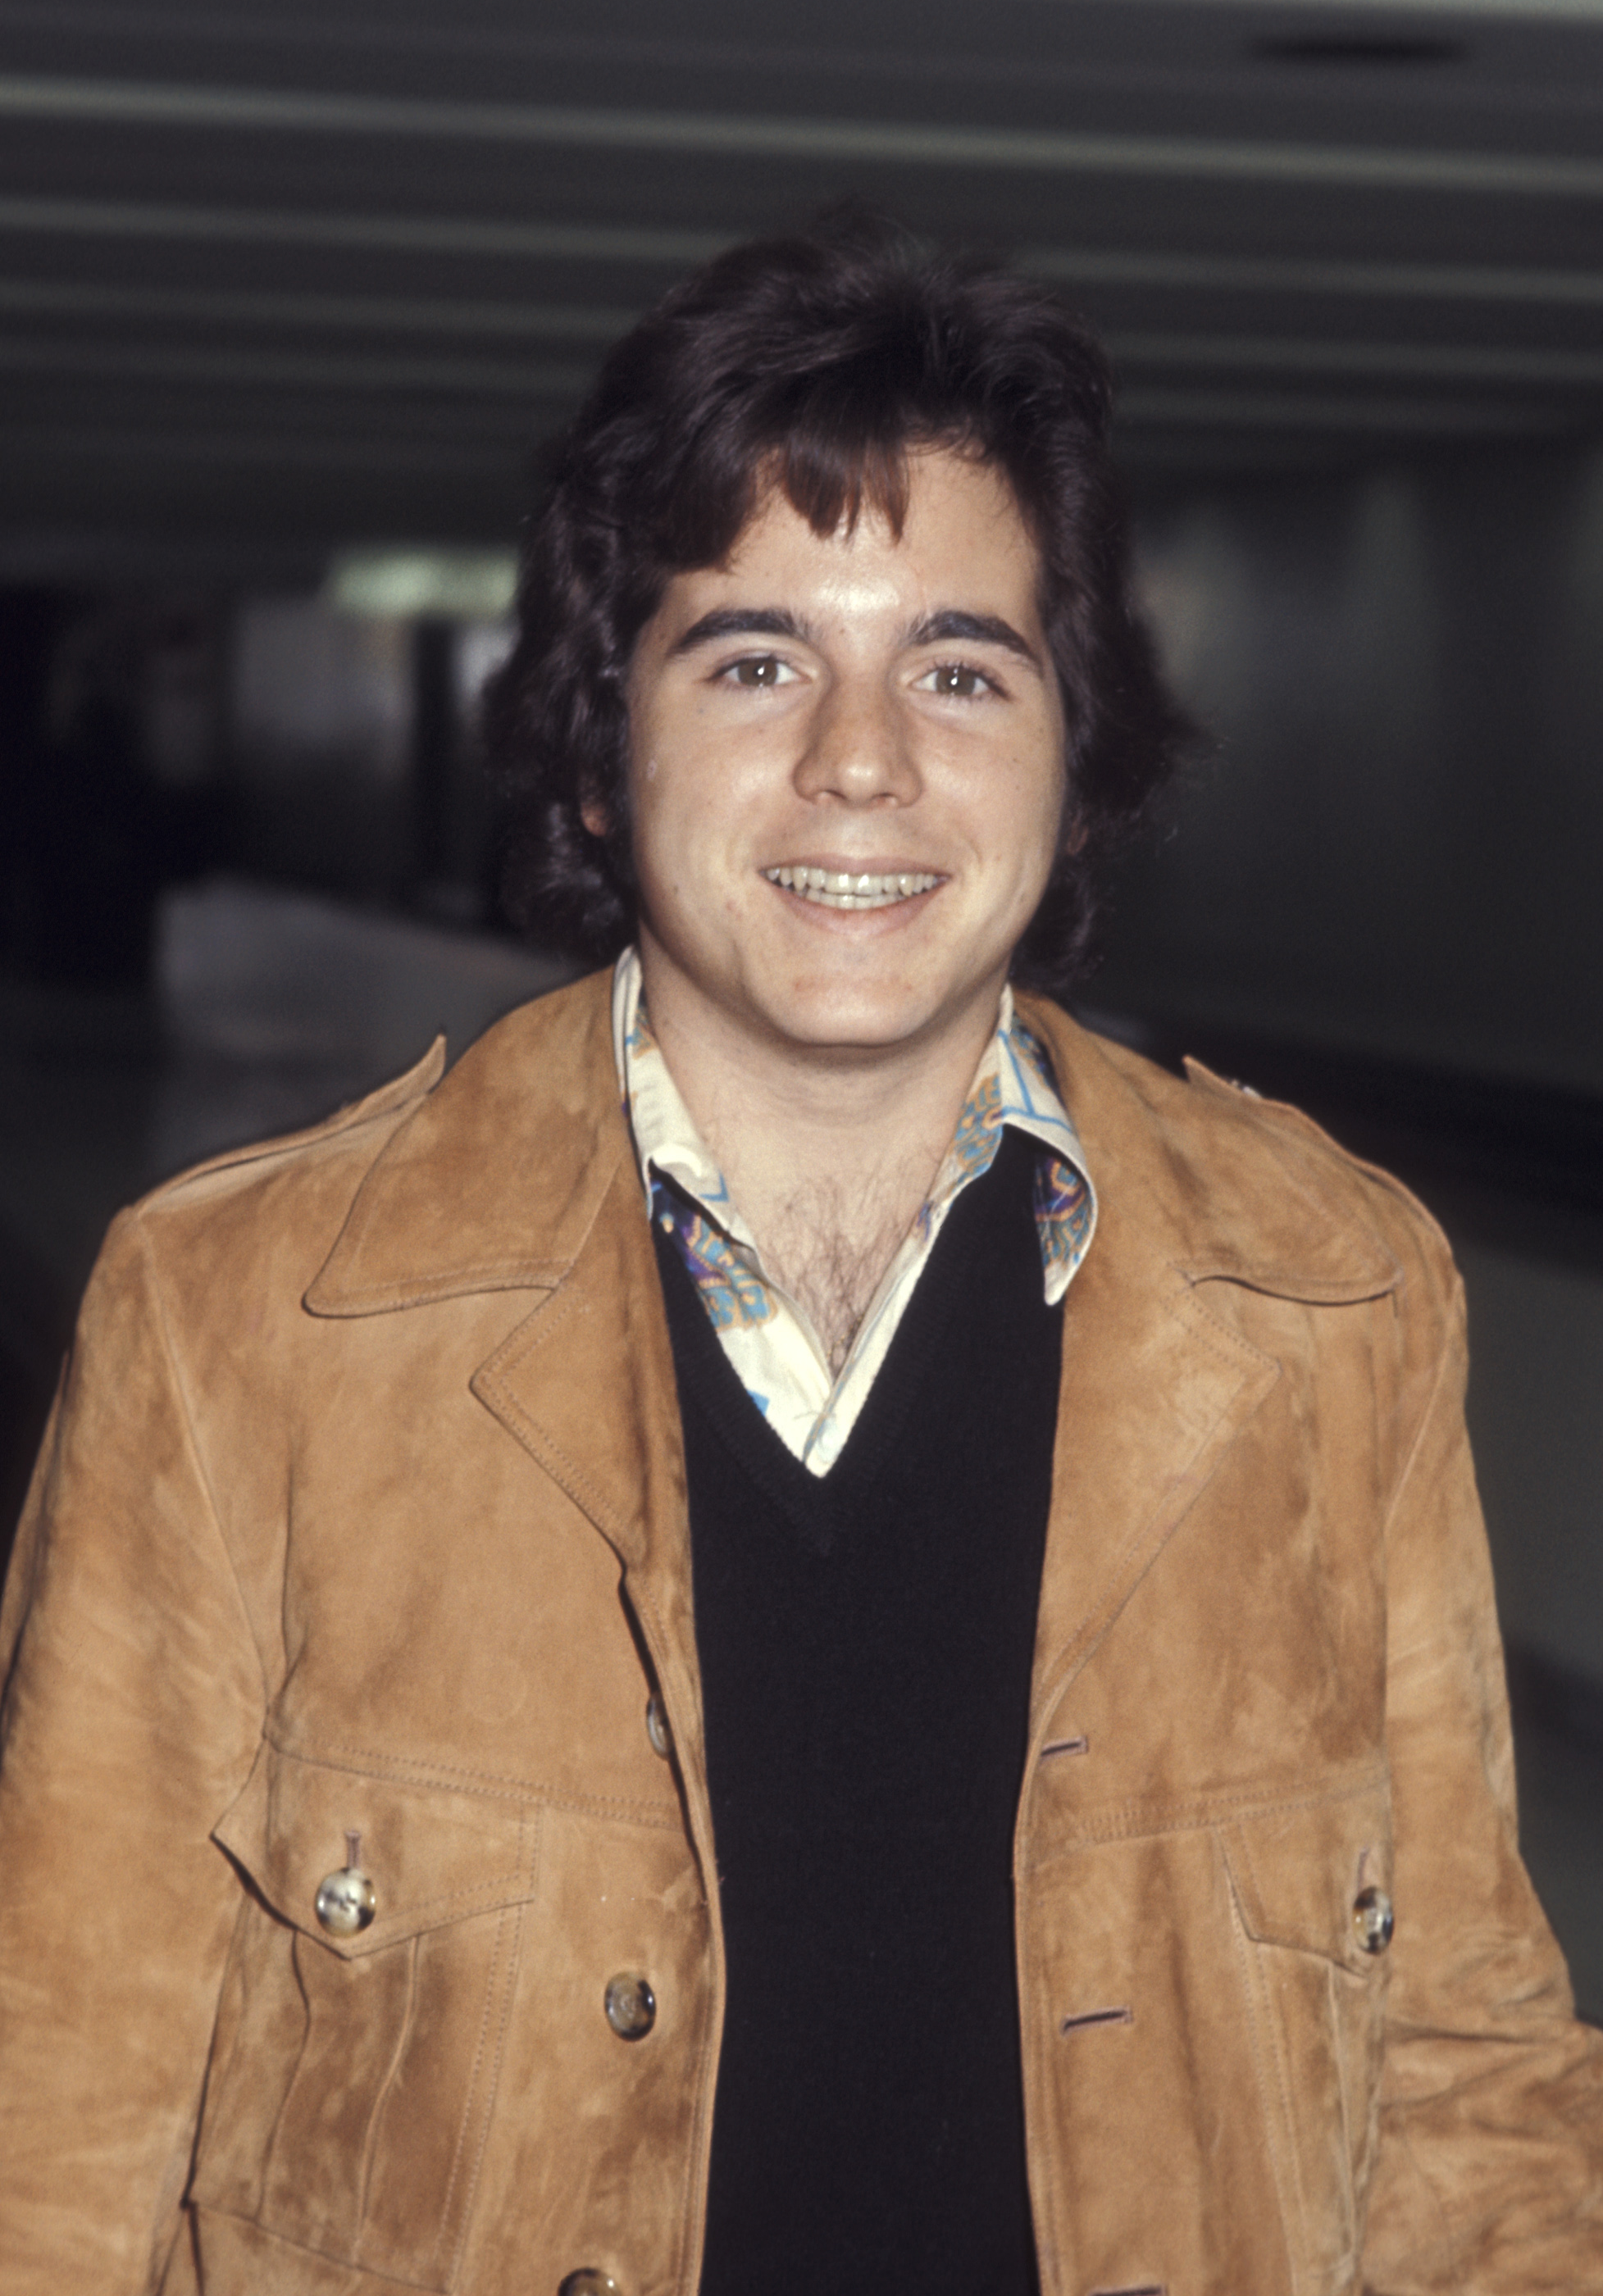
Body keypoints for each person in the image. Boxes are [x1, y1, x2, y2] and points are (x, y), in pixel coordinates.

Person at [1, 212, 1599, 2296]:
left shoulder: (1334, 1301)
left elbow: (1468, 2088)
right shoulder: (246, 1327)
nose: (865, 761)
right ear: (598, 750)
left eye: (959, 667)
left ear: (1078, 766)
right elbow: (53, 2116)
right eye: (755, 659)